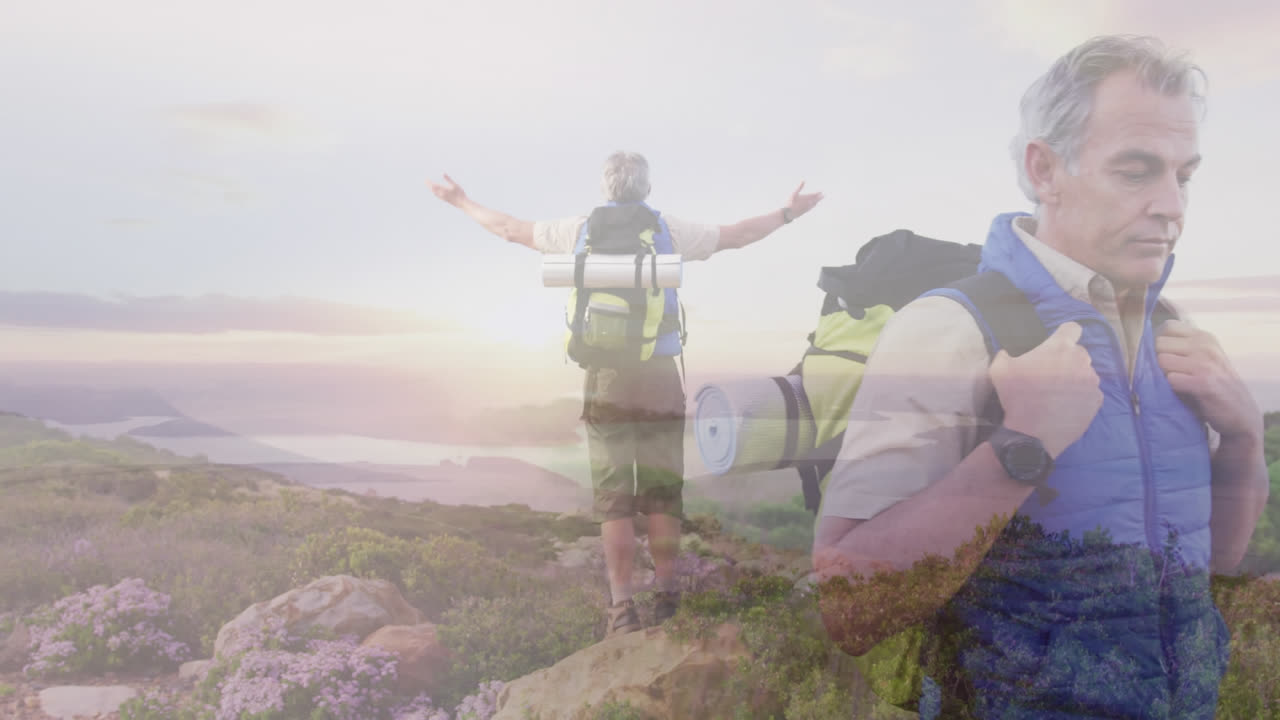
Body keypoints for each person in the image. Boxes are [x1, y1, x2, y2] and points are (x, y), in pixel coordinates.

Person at [813, 35, 1269, 718]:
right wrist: (1021, 444)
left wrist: (1242, 443)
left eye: (1185, 175)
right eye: (1137, 170)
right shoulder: (951, 330)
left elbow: (1204, 573)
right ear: (1045, 169)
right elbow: (848, 612)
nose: (1173, 206)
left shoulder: (1171, 333)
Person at [429, 152, 823, 637]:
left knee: (614, 498)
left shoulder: (578, 230)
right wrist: (787, 213)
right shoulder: (669, 230)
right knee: (661, 493)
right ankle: (667, 597)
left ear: (606, 187)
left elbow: (509, 228)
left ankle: (620, 609)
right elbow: (737, 235)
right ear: (646, 187)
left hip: (605, 378)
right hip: (658, 376)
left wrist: (461, 201)